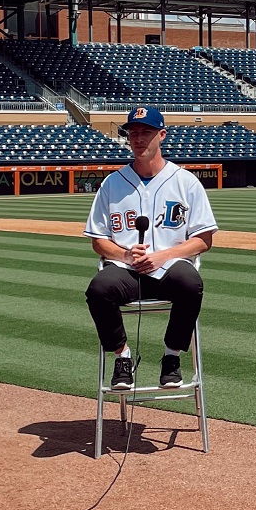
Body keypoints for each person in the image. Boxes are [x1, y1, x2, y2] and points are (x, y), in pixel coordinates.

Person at [85, 106, 218, 392]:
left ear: (162, 135)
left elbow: (204, 238)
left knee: (190, 283)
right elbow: (98, 239)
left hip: (170, 267)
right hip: (125, 270)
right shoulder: (113, 183)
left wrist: (162, 256)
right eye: (133, 133)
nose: (138, 139)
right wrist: (125, 255)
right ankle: (122, 357)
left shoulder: (185, 181)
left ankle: (171, 357)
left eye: (146, 132)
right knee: (98, 289)